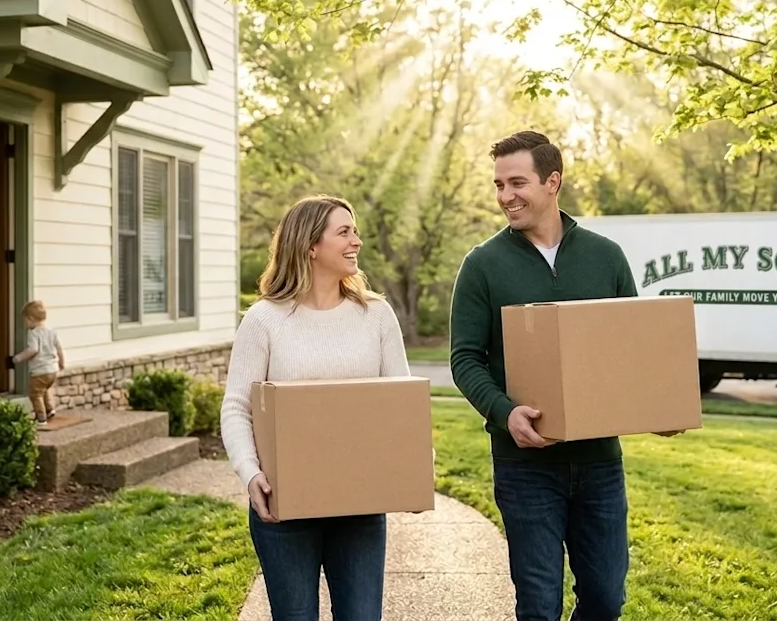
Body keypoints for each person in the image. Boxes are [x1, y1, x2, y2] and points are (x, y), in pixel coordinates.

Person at [448, 131, 681, 621]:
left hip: (599, 463)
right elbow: (465, 358)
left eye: (517, 182)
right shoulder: (482, 265)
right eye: (497, 185)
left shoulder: (605, 256)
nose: (505, 196)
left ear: (552, 181)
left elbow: (630, 351)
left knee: (604, 599)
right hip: (524, 466)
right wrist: (505, 412)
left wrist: (656, 407)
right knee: (538, 604)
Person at [221, 194, 411, 621]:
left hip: (360, 505)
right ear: (310, 245)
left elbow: (403, 406)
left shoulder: (376, 316)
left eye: (355, 231)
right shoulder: (265, 320)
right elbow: (237, 407)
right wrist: (251, 475)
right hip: (285, 507)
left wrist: (412, 471)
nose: (356, 241)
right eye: (344, 232)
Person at [11, 299, 65, 427]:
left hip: (39, 371)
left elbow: (33, 350)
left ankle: (41, 417)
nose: (25, 324)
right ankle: (50, 410)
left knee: (36, 394)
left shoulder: (33, 333)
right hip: (52, 370)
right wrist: (62, 363)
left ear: (31, 319)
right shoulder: (51, 331)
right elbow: (59, 348)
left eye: (25, 320)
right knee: (45, 390)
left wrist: (18, 358)